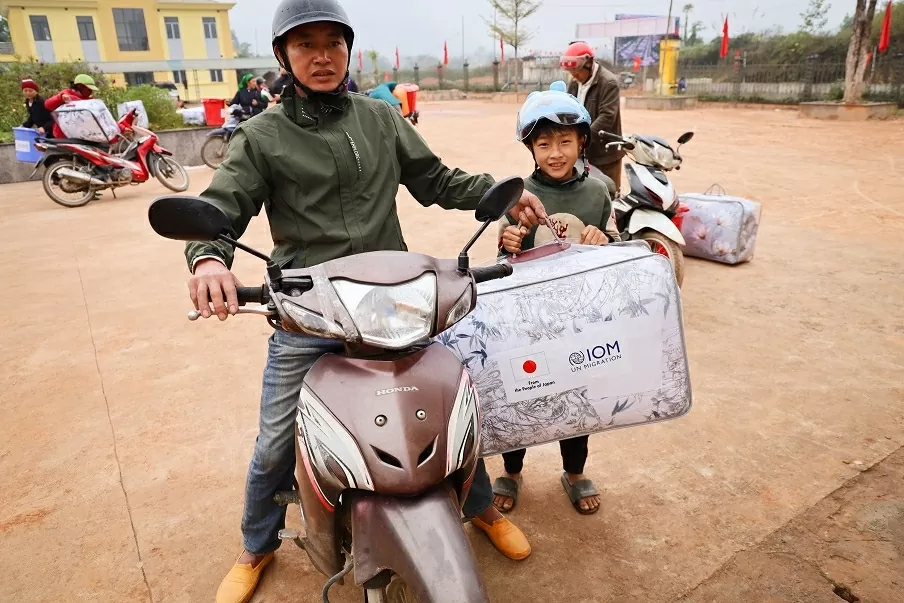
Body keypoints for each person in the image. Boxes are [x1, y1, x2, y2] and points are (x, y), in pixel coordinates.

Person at [183, 2, 547, 601]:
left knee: (449, 410)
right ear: (283, 56)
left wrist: (499, 193)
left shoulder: (380, 118)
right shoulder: (261, 136)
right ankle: (257, 544)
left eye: (333, 42)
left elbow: (436, 179)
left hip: (394, 305)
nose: (322, 56)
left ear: (348, 49)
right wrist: (208, 259)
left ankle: (479, 507)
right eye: (306, 44)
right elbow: (222, 207)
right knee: (276, 440)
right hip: (310, 313)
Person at [494, 84, 620, 516]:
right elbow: (504, 255)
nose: (555, 153)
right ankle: (512, 471)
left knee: (578, 393)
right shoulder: (518, 195)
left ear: (582, 142)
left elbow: (616, 244)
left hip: (579, 316)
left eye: (565, 141)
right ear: (530, 148)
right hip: (529, 318)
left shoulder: (598, 192)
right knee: (524, 392)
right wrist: (508, 243)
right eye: (543, 144)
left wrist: (604, 240)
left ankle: (575, 471)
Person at [560, 41, 624, 193]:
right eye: (571, 71)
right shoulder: (575, 82)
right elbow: (568, 109)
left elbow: (607, 117)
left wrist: (582, 138)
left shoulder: (608, 82)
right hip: (582, 152)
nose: (574, 75)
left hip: (604, 155)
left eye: (576, 71)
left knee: (608, 193)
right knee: (585, 194)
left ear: (588, 64)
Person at [44, 74, 99, 139]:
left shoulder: (89, 100)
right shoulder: (66, 94)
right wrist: (60, 98)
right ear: (80, 86)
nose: (91, 92)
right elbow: (48, 104)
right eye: (89, 90)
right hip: (62, 136)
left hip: (81, 136)